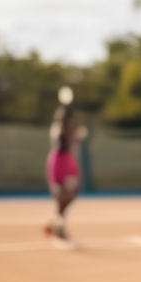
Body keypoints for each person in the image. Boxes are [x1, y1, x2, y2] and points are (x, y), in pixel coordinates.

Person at [45, 87, 82, 243]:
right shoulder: (58, 131)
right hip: (58, 163)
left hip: (68, 163)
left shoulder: (70, 131)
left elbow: (74, 137)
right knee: (61, 197)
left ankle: (57, 224)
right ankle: (58, 225)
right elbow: (61, 135)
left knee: (70, 194)